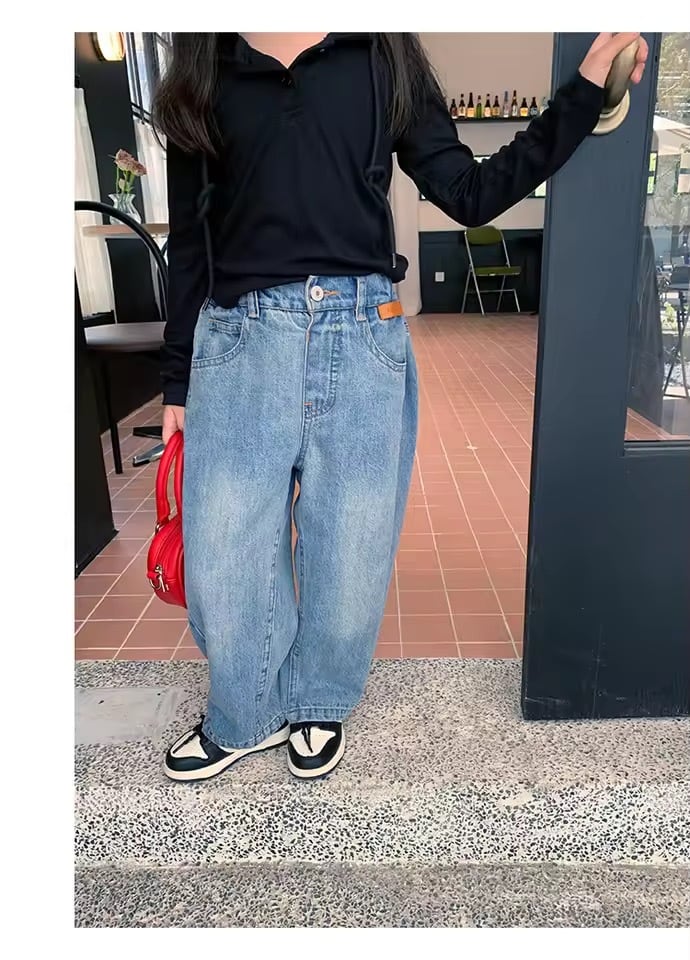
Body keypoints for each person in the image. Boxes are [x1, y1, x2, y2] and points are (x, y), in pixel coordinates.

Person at [153, 32, 647, 782]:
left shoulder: (379, 50)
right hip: (239, 339)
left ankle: (318, 700)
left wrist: (579, 97)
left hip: (361, 333)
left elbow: (469, 192)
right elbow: (190, 237)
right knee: (224, 551)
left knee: (349, 545)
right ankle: (245, 712)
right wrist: (178, 379)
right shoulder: (202, 59)